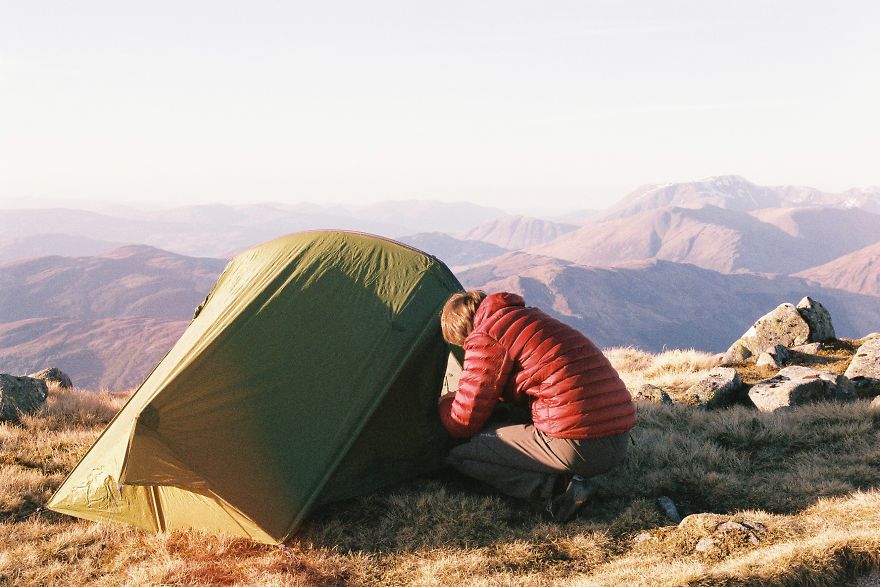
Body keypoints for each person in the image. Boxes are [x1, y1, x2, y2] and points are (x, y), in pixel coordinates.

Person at [438, 290, 636, 520]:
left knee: (462, 453)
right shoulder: (529, 318)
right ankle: (574, 475)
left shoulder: (486, 335)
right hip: (618, 440)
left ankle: (559, 493)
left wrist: (443, 403)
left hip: (580, 446)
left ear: (462, 331)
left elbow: (463, 421)